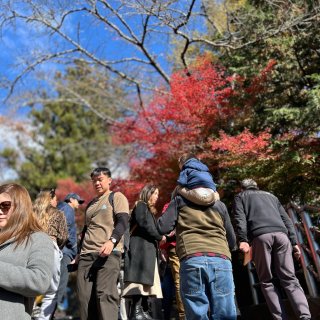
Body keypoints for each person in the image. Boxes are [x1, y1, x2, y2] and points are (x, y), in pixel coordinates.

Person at [233, 179, 311, 320]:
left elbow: (240, 218)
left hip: (260, 237)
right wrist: (294, 243)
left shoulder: (240, 197)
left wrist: (243, 239)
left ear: (242, 188)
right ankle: (305, 316)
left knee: (267, 281)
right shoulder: (271, 196)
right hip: (282, 236)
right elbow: (287, 220)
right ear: (256, 187)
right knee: (289, 278)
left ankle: (280, 318)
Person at [157, 191, 237, 320]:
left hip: (191, 256)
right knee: (224, 313)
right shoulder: (219, 204)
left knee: (196, 313)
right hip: (220, 257)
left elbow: (162, 227)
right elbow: (232, 241)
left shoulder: (178, 201)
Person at [77, 167, 130, 320]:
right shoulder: (91, 204)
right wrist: (78, 253)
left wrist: (112, 241)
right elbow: (86, 230)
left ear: (109, 180)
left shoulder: (116, 197)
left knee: (105, 295)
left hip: (108, 253)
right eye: (94, 181)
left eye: (100, 180)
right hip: (86, 255)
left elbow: (123, 221)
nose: (97, 183)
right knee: (84, 299)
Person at [0, 183, 54, 320]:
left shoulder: (37, 239)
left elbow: (40, 280)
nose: (0, 211)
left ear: (20, 208)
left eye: (5, 206)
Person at [123, 184, 165, 320]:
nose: (157, 197)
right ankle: (137, 311)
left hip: (146, 250)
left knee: (144, 283)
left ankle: (142, 310)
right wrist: (159, 237)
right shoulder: (141, 205)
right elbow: (143, 223)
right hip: (140, 250)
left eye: (158, 194)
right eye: (155, 194)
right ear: (148, 193)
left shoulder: (147, 209)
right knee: (138, 282)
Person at [32, 189, 68, 320]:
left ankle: (29, 312)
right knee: (51, 291)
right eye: (55, 199)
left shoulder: (31, 213)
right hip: (50, 247)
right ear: (50, 198)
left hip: (31, 248)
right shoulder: (58, 213)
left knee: (30, 284)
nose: (57, 202)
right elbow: (64, 236)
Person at [56, 193, 84, 311]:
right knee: (61, 285)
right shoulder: (68, 209)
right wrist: (73, 247)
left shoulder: (59, 208)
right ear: (71, 199)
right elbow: (66, 229)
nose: (79, 204)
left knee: (55, 284)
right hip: (65, 252)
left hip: (58, 250)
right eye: (78, 201)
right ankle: (51, 312)